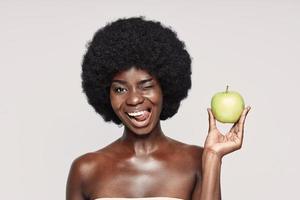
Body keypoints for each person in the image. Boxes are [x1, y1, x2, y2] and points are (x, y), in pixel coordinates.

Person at [66, 17, 251, 200]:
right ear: (106, 94)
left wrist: (213, 157)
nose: (134, 99)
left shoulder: (197, 160)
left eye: (146, 85)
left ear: (165, 87)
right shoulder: (85, 169)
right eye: (120, 89)